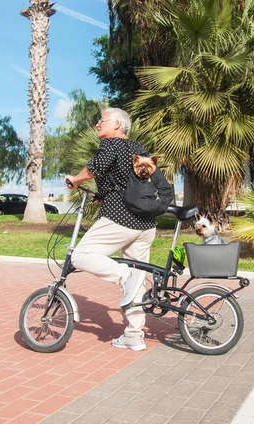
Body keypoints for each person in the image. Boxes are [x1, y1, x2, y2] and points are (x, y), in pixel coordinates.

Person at [64, 108, 156, 352]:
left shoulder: (111, 144)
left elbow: (97, 166)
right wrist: (101, 196)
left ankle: (123, 276)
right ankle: (134, 335)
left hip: (120, 218)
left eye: (101, 121)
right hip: (145, 224)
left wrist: (76, 179)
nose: (97, 125)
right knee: (137, 279)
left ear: (116, 124)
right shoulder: (139, 148)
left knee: (80, 255)